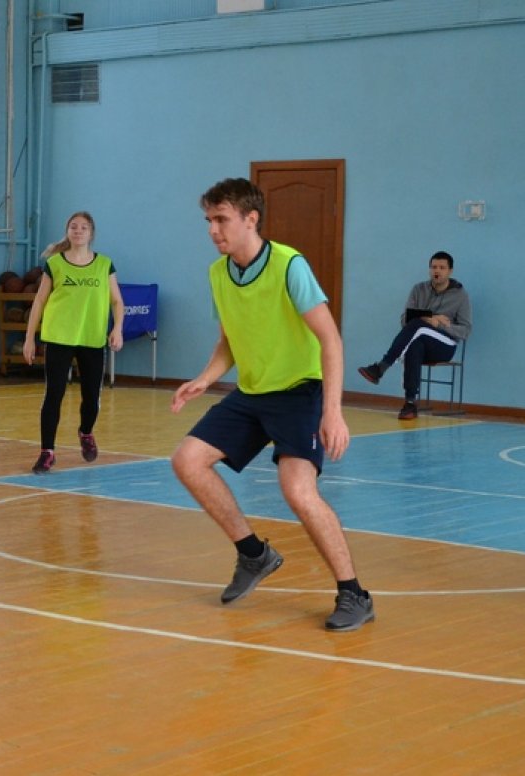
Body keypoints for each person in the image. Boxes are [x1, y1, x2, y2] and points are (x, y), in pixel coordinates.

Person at [170, 178, 373, 632]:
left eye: (221, 220)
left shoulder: (288, 266)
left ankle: (354, 594)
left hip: (299, 392)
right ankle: (254, 555)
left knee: (298, 492)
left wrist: (332, 411)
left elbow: (330, 339)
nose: (213, 230)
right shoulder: (218, 273)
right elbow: (229, 341)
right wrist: (204, 378)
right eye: (208, 220)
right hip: (253, 392)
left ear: (250, 219)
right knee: (187, 460)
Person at [22, 211, 125, 474]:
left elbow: (116, 300)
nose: (78, 230)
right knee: (53, 394)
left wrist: (118, 329)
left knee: (91, 396)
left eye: (84, 227)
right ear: (68, 231)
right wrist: (29, 338)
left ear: (91, 233)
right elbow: (40, 301)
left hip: (91, 338)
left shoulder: (104, 264)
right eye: (73, 226)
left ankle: (86, 432)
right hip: (59, 336)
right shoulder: (55, 264)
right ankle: (47, 451)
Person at [356, 251, 472, 420]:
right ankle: (410, 404)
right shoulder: (419, 289)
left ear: (450, 272)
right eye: (433, 267)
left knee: (418, 325)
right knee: (414, 343)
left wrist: (438, 324)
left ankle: (381, 367)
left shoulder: (461, 295)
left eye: (441, 267)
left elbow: (465, 330)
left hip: (444, 346)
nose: (436, 271)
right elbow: (404, 320)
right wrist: (429, 317)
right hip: (420, 339)